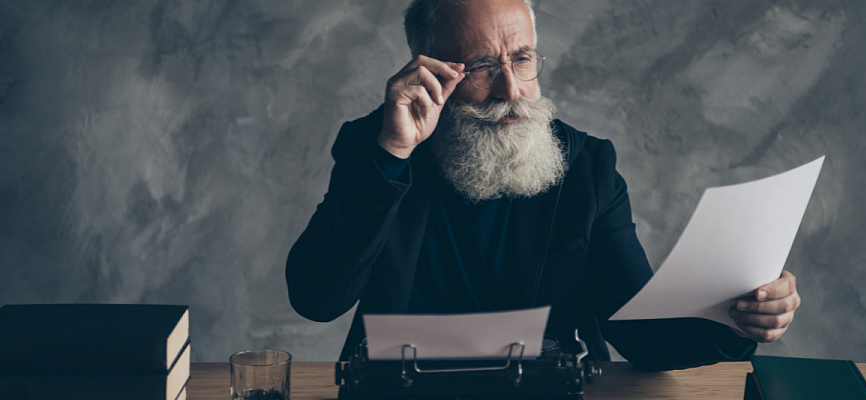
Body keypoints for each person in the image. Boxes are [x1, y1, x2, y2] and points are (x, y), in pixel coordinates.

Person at [286, 0, 801, 371]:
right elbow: (316, 298)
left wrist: (737, 320)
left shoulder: (587, 166)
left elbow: (639, 329)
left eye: (523, 59)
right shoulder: (374, 145)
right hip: (402, 390)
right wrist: (392, 156)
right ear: (430, 71)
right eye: (483, 66)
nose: (511, 90)